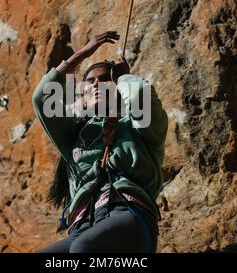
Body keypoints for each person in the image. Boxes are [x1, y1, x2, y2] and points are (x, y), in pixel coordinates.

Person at [32, 31, 168, 253]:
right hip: (82, 224)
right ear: (82, 94)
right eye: (90, 81)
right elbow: (41, 98)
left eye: (105, 80)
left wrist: (123, 77)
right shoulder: (75, 137)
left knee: (83, 249)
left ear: (117, 89)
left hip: (128, 212)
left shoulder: (139, 127)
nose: (96, 85)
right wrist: (83, 53)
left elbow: (140, 96)